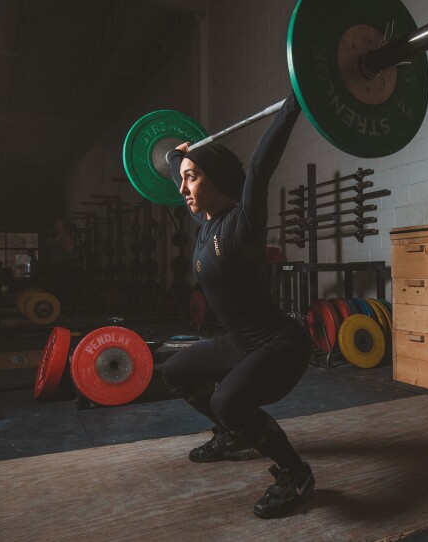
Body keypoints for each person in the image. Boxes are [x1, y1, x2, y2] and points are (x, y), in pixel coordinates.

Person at [162, 92, 313, 519]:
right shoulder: (203, 220)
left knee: (228, 400)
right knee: (174, 372)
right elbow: (177, 163)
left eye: (192, 178)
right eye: (183, 180)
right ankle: (234, 436)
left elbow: (260, 170)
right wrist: (178, 157)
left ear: (216, 178)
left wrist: (292, 105)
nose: (183, 188)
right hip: (243, 342)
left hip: (281, 345)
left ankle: (296, 473)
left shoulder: (241, 227)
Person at [45, 218, 75, 306]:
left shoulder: (65, 236)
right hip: (57, 266)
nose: (55, 226)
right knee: (57, 289)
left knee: (64, 290)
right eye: (55, 224)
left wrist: (55, 243)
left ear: (63, 227)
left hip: (64, 267)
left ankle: (66, 309)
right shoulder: (57, 237)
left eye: (57, 224)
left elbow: (70, 249)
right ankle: (59, 309)